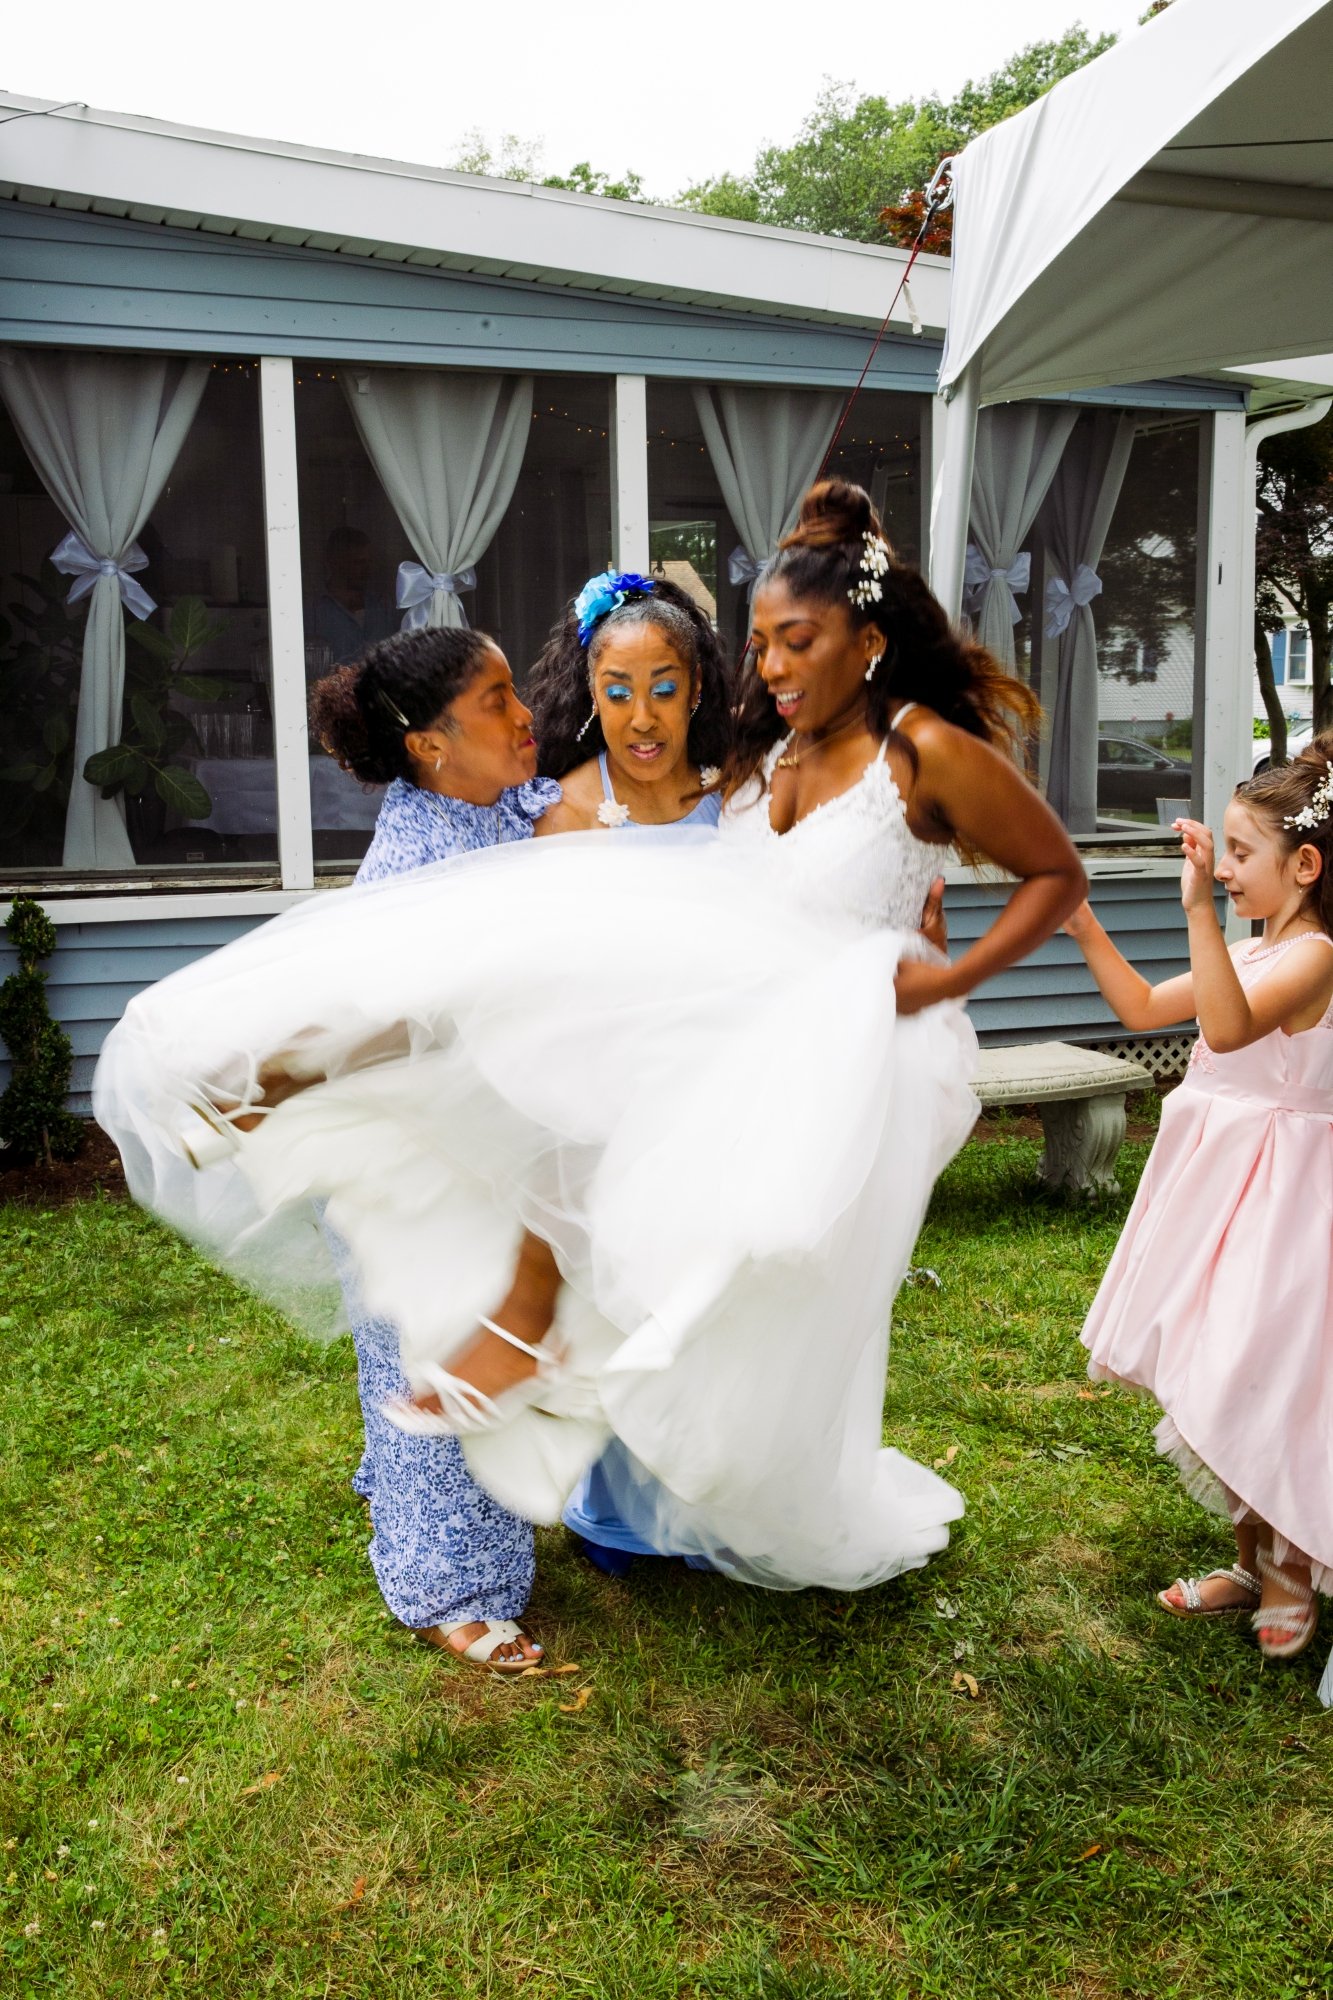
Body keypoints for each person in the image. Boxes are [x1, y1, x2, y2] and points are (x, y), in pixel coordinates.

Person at [94, 480, 1084, 1595]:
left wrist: (939, 960)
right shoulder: (762, 749)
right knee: (537, 1021)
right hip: (735, 996)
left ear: (868, 637)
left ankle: (526, 1322)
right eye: (759, 643)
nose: (769, 666)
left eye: (790, 641)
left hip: (826, 1033)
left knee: (634, 1143)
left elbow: (1039, 870)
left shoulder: (900, 749)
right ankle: (310, 1083)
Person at [303, 626, 559, 1673]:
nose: (523, 713)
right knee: (438, 1358)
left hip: (482, 1141)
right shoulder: (414, 875)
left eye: (512, 690)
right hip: (409, 1157)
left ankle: (395, 1476)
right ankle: (447, 1588)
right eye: (495, 700)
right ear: (429, 745)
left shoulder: (487, 807)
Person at [1065, 744, 1333, 1677]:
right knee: (1220, 1363)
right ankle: (1253, 1561)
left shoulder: (1314, 959)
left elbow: (1221, 1028)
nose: (1220, 868)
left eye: (1238, 852)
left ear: (1304, 866)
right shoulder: (1255, 948)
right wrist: (1081, 921)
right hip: (1227, 1199)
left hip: (1297, 1204)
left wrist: (1192, 912)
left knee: (1273, 1373)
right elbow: (1142, 1007)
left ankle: (1293, 1566)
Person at [526, 572, 730, 1573]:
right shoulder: (569, 812)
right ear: (588, 689)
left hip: (722, 1089)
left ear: (698, 688)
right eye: (616, 689)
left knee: (713, 1304)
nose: (640, 716)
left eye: (663, 686)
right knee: (621, 1299)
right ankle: (622, 1515)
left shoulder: (742, 803)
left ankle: (713, 1497)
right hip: (611, 1098)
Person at [309, 526, 394, 667]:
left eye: (368, 562)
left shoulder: (383, 606)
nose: (367, 569)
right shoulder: (313, 611)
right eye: (358, 563)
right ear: (334, 563)